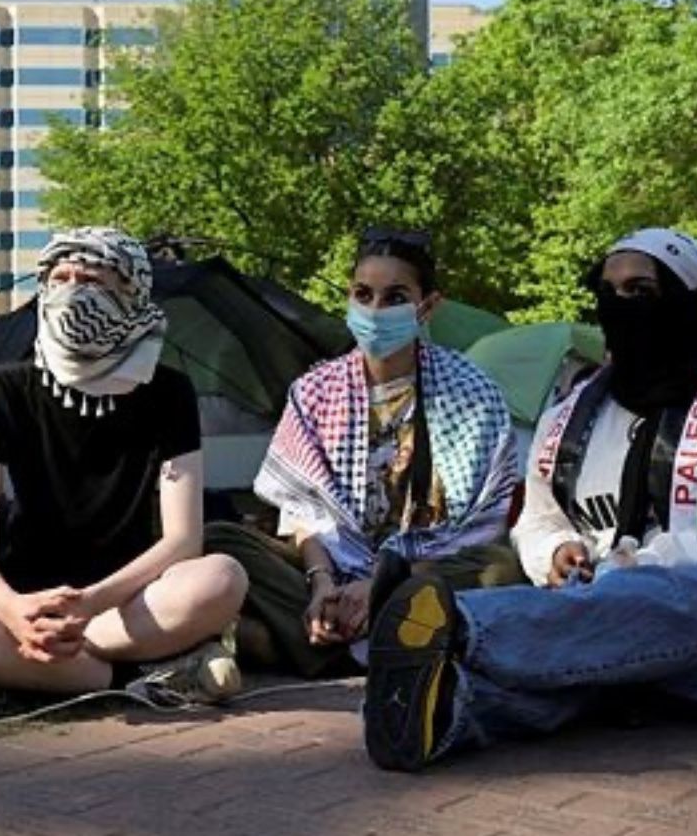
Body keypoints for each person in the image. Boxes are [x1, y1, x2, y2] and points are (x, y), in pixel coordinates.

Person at [361, 228, 697, 771]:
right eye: (608, 292)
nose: (620, 307)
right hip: (603, 626)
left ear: (691, 300)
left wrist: (646, 566)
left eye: (640, 291)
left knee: (683, 595)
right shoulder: (572, 413)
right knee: (596, 677)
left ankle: (459, 628)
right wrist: (558, 548)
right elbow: (539, 516)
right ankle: (444, 710)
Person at [0, 228, 248, 717]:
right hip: (22, 598)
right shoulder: (6, 389)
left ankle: (21, 675)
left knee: (222, 579)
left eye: (93, 280)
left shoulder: (168, 392)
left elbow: (182, 542)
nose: (73, 291)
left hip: (127, 602)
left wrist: (91, 603)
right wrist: (13, 612)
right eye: (60, 278)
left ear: (132, 292)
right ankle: (119, 677)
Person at [206, 228, 521, 679]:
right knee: (219, 539)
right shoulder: (314, 391)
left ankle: (307, 644)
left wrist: (380, 586)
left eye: (395, 297)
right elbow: (304, 513)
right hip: (333, 568)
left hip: (420, 571)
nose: (375, 310)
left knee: (499, 569)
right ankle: (371, 633)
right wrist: (323, 584)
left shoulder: (472, 391)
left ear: (427, 306)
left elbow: (478, 526)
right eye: (363, 294)